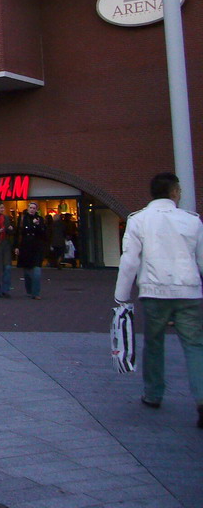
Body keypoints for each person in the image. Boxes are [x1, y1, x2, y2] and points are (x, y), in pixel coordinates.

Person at [115, 172, 203, 426]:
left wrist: (121, 296)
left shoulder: (138, 220)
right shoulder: (192, 221)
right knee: (195, 346)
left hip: (154, 291)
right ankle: (201, 399)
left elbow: (130, 259)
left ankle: (153, 394)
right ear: (175, 192)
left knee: (154, 344)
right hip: (189, 290)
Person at [15, 202, 48, 299]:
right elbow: (18, 233)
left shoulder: (40, 219)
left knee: (37, 271)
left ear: (37, 209)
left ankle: (36, 293)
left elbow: (44, 234)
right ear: (28, 208)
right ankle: (29, 290)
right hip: (25, 248)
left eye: (34, 208)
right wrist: (16, 247)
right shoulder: (22, 219)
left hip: (36, 248)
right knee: (27, 272)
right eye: (31, 208)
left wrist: (38, 225)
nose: (32, 210)